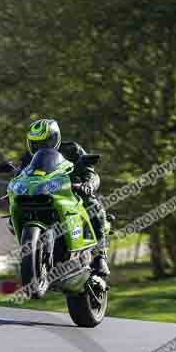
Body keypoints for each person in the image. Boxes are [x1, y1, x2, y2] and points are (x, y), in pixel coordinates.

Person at [19, 117, 112, 279]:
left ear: (56, 138)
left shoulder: (72, 149)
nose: (41, 146)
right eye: (36, 143)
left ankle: (100, 256)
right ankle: (34, 257)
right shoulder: (28, 157)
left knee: (94, 206)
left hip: (71, 191)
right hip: (41, 193)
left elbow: (90, 172)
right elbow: (20, 175)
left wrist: (88, 184)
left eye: (46, 141)